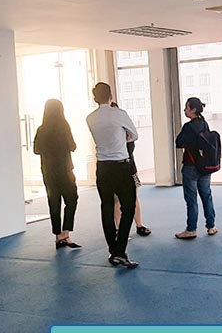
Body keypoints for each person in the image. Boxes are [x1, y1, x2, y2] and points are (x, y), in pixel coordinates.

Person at [85, 82, 140, 268]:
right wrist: (124, 136)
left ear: (95, 97)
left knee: (107, 207)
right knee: (129, 207)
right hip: (121, 166)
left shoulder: (90, 118)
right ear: (111, 95)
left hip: (102, 167)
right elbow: (134, 135)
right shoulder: (119, 114)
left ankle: (113, 250)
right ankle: (120, 250)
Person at [33, 99, 81, 249]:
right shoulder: (64, 127)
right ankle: (66, 233)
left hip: (48, 172)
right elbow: (73, 146)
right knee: (72, 200)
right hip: (65, 171)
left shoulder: (41, 129)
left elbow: (36, 150)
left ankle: (58, 235)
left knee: (54, 203)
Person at [174, 97, 217, 239]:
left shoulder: (188, 127)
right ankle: (211, 226)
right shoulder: (204, 124)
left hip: (190, 166)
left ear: (193, 110)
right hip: (204, 166)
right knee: (206, 196)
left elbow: (178, 142)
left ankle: (191, 229)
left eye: (186, 107)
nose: (185, 110)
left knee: (191, 199)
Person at [110, 102, 151, 237]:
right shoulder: (109, 135)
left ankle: (139, 225)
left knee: (134, 197)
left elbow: (130, 149)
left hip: (130, 168)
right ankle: (118, 228)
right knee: (116, 199)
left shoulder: (127, 131)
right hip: (115, 170)